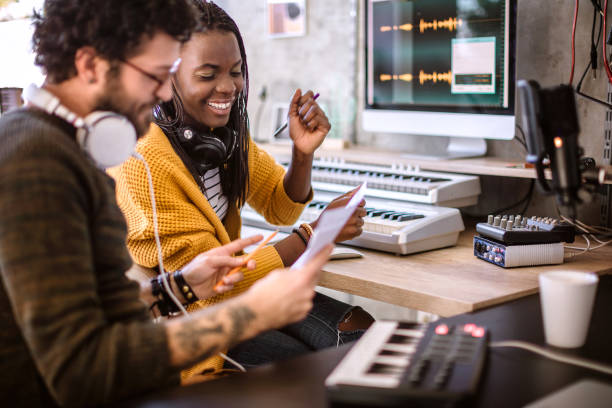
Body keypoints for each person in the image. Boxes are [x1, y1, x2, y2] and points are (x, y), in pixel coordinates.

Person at [0, 0, 334, 406]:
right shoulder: (35, 159)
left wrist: (181, 285)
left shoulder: (69, 149)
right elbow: (83, 370)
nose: (163, 92)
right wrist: (249, 315)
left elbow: (100, 308)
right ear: (90, 65)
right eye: (155, 76)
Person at [110, 0, 374, 380]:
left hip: (242, 293)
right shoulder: (142, 162)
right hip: (196, 321)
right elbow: (206, 286)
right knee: (309, 367)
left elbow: (280, 209)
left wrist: (302, 153)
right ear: (167, 78)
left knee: (360, 331)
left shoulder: (224, 136)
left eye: (236, 72)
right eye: (207, 74)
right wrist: (313, 236)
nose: (228, 87)